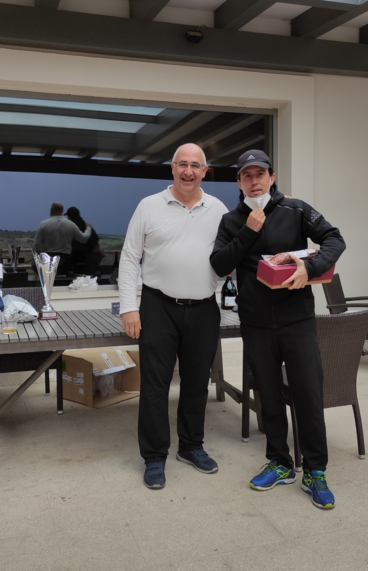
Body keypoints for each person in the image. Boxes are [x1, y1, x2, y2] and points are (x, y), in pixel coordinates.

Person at [210, 149, 345, 510]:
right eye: (247, 175)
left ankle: (315, 470)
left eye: (260, 174)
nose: (254, 181)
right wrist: (248, 231)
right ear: (239, 183)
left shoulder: (296, 209)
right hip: (255, 324)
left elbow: (334, 239)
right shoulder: (231, 220)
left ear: (271, 177)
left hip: (297, 321)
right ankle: (280, 462)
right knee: (268, 396)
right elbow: (220, 263)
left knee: (308, 395)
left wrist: (309, 266)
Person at [119, 143, 228, 490]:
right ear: (172, 167)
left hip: (204, 308)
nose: (188, 171)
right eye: (183, 164)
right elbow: (129, 257)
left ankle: (191, 446)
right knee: (155, 386)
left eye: (196, 165)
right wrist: (128, 306)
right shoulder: (149, 206)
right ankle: (154, 456)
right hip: (158, 306)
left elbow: (233, 253)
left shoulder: (218, 209)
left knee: (197, 384)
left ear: (205, 171)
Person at [32, 202, 92, 275]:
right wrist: (88, 228)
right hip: (65, 261)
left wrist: (35, 262)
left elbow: (37, 245)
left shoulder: (44, 224)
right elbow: (84, 239)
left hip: (48, 261)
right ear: (62, 211)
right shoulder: (71, 224)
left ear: (51, 210)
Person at [64, 206, 101, 276]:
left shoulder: (68, 226)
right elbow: (95, 239)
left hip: (71, 257)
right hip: (87, 257)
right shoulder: (86, 225)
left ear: (69, 216)